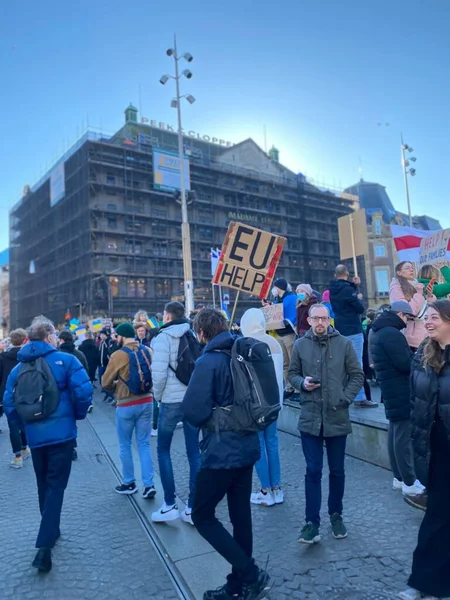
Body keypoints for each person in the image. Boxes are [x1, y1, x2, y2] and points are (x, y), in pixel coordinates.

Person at [183, 308, 270, 600]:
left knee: (202, 514)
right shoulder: (242, 353)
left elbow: (194, 412)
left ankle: (250, 574)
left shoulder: (208, 361)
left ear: (202, 333)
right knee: (240, 515)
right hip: (247, 445)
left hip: (221, 451)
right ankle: (238, 586)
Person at [3, 316, 92, 573]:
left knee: (43, 483)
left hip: (35, 437)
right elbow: (84, 392)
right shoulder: (67, 361)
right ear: (51, 336)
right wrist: (76, 415)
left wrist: (23, 427)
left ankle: (51, 528)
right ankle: (44, 546)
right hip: (62, 436)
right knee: (56, 486)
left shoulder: (18, 368)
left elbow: (9, 403)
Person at [288, 303, 364, 544]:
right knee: (312, 471)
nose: (320, 323)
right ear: (309, 321)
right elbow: (292, 373)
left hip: (336, 415)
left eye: (324, 318)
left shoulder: (344, 343)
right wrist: (302, 383)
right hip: (310, 417)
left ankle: (336, 515)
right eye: (316, 319)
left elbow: (357, 375)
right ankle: (311, 523)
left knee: (337, 470)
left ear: (329, 320)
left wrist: (345, 397)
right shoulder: (300, 345)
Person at [399, 300, 450, 600]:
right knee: (436, 516)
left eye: (434, 317)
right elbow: (413, 399)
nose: (428, 322)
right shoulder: (422, 353)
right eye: (425, 317)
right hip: (435, 448)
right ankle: (424, 582)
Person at [370, 301, 426, 509]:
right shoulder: (391, 333)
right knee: (402, 436)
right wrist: (417, 358)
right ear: (400, 315)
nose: (408, 323)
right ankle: (409, 482)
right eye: (408, 318)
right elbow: (404, 363)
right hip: (400, 388)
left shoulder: (379, 330)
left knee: (395, 432)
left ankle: (398, 477)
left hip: (390, 388)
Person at [150, 302, 200, 525]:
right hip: (191, 399)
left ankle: (169, 504)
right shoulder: (192, 334)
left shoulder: (162, 338)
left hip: (170, 400)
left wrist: (158, 396)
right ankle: (192, 507)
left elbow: (158, 375)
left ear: (168, 315)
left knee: (163, 449)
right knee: (194, 453)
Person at [101, 322, 156, 499]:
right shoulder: (147, 351)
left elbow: (105, 382)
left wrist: (116, 385)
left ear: (122, 336)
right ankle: (149, 485)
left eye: (116, 336)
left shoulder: (118, 355)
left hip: (126, 404)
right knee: (144, 444)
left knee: (125, 444)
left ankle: (129, 482)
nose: (115, 339)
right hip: (147, 400)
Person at [240, 308, 284, 507]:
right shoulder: (274, 342)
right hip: (275, 404)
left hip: (256, 407)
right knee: (272, 444)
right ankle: (277, 488)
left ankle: (265, 489)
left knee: (258, 446)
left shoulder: (244, 344)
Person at [330, 264, 377, 408]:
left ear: (335, 275)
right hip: (352, 328)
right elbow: (359, 308)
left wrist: (353, 287)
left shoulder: (332, 289)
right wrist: (357, 294)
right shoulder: (348, 289)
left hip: (340, 328)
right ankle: (360, 397)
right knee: (357, 364)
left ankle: (345, 394)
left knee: (344, 364)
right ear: (347, 274)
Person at [59, 330, 93, 460]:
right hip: (76, 393)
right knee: (72, 420)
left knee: (62, 421)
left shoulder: (58, 354)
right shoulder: (79, 354)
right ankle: (72, 447)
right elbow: (86, 372)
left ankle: (66, 446)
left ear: (61, 340)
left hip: (62, 394)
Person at [0, 328, 30, 468]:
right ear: (24, 339)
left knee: (13, 425)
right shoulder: (29, 356)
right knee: (24, 422)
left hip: (8, 394)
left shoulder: (3, 357)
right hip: (25, 393)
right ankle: (25, 448)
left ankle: (17, 457)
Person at [389, 261, 435, 351]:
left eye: (412, 267)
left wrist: (429, 295)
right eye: (407, 268)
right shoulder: (396, 288)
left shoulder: (415, 284)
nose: (411, 269)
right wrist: (418, 293)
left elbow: (427, 308)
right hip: (413, 336)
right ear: (399, 272)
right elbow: (408, 310)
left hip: (425, 332)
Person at [268, 278, 297, 399]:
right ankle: (289, 386)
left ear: (279, 288)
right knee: (285, 363)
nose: (273, 289)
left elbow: (290, 314)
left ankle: (297, 389)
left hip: (289, 334)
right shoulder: (277, 300)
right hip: (279, 334)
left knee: (293, 361)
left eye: (274, 287)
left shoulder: (290, 298)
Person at [99, 329, 115, 402]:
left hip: (107, 364)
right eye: (100, 335)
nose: (101, 336)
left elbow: (110, 351)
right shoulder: (101, 342)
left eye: (102, 335)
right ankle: (106, 393)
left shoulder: (108, 341)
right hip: (101, 364)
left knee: (108, 380)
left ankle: (110, 395)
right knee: (102, 380)